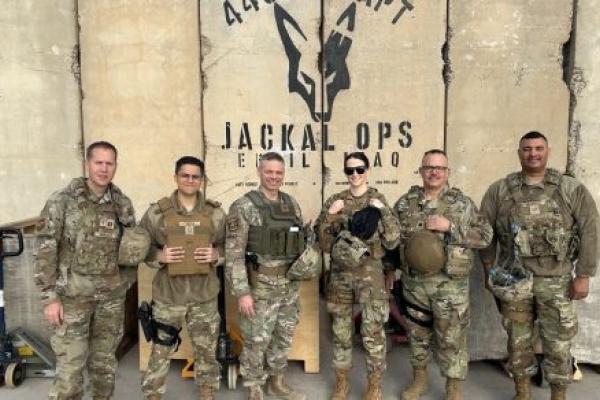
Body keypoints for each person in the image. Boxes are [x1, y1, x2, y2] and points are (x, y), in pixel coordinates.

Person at [480, 131, 599, 400]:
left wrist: (584, 275)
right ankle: (522, 392)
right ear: (519, 152)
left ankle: (558, 394)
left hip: (556, 280)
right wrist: (488, 268)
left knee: (558, 342)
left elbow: (591, 229)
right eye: (527, 149)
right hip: (513, 280)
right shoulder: (500, 189)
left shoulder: (570, 189)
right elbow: (485, 230)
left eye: (538, 148)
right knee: (518, 341)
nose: (533, 153)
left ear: (547, 151)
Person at [34, 141, 136, 400]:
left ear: (116, 166)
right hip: (72, 298)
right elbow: (45, 249)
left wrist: (123, 286)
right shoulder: (62, 201)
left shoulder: (122, 204)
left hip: (110, 300)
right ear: (87, 163)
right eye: (98, 162)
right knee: (70, 368)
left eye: (109, 163)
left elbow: (131, 250)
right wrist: (50, 297)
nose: (104, 168)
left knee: (104, 366)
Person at [393, 149, 492, 400]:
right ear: (421, 171)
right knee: (417, 336)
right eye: (429, 167)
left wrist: (452, 227)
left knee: (452, 338)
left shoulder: (463, 204)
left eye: (440, 168)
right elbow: (392, 241)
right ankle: (420, 381)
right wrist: (387, 270)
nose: (434, 172)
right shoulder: (405, 204)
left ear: (447, 172)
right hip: (414, 284)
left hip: (450, 286)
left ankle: (453, 388)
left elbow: (485, 236)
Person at [315, 152, 400, 400]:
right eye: (349, 171)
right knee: (341, 333)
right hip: (341, 275)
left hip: (370, 274)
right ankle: (342, 384)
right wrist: (331, 215)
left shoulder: (378, 199)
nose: (354, 175)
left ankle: (374, 385)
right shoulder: (336, 200)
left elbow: (393, 240)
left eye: (359, 170)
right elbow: (323, 244)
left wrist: (383, 211)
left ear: (368, 170)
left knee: (373, 333)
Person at [139, 156, 225, 400]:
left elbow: (232, 248)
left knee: (206, 350)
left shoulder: (216, 214)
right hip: (169, 295)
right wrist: (159, 255)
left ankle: (206, 391)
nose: (190, 180)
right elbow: (138, 248)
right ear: (175, 177)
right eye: (185, 175)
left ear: (202, 179)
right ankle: (153, 394)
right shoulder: (156, 213)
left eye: (195, 176)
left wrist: (216, 254)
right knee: (160, 350)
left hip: (204, 295)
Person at [225, 152, 306, 400]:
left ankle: (276, 382)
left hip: (289, 287)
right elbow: (233, 254)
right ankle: (254, 386)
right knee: (255, 340)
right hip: (259, 287)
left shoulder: (291, 204)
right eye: (269, 171)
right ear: (259, 171)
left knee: (283, 337)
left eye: (278, 172)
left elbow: (300, 242)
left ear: (284, 174)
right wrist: (242, 292)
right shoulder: (243, 206)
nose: (274, 176)